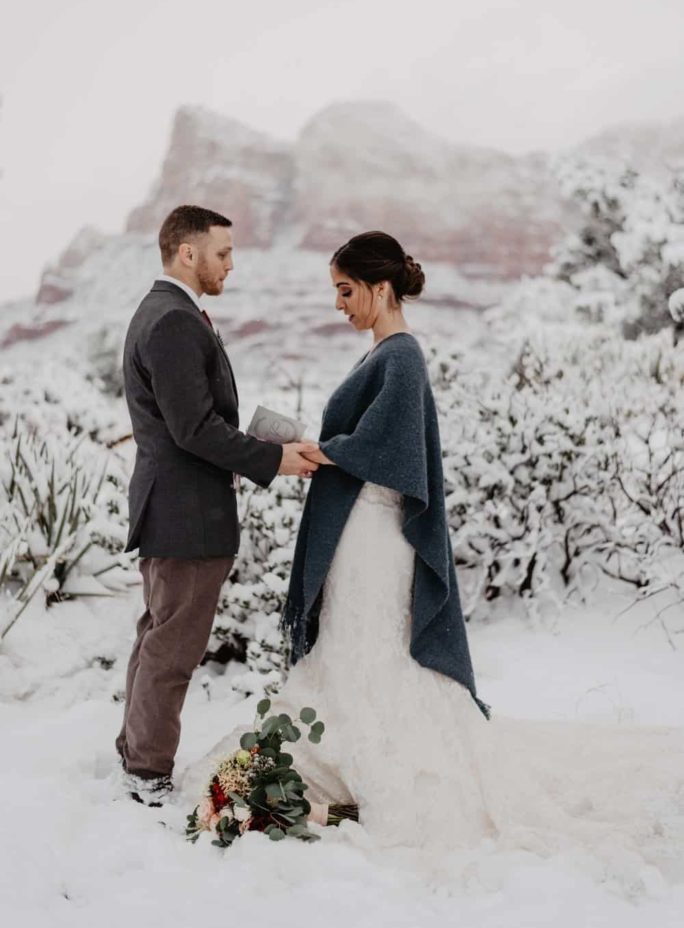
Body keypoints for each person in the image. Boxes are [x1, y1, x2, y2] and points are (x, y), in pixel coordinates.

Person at [184, 231, 684, 884]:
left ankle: (366, 765)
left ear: (381, 289)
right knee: (347, 656)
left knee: (370, 657)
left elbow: (392, 452)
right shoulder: (383, 356)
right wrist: (320, 448)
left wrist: (321, 449)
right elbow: (374, 442)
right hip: (357, 538)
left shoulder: (402, 357)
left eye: (346, 290)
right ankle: (314, 759)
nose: (339, 305)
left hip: (374, 541)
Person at [116, 204, 319, 806]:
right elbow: (194, 429)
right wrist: (273, 459)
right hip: (186, 514)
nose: (231, 263)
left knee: (158, 635)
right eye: (223, 252)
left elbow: (191, 423)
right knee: (173, 648)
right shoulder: (174, 320)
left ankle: (135, 757)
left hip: (172, 509)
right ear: (188, 252)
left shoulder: (164, 312)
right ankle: (148, 774)